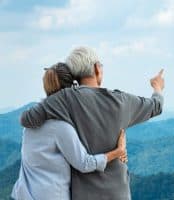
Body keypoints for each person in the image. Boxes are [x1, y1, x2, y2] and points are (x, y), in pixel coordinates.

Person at [20, 46, 165, 200]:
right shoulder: (121, 101)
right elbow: (156, 106)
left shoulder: (63, 99)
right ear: (96, 68)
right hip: (118, 193)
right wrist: (157, 87)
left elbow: (27, 119)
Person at [12, 63, 128, 200]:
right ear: (71, 89)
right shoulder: (60, 127)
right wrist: (117, 152)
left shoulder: (30, 124)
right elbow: (85, 163)